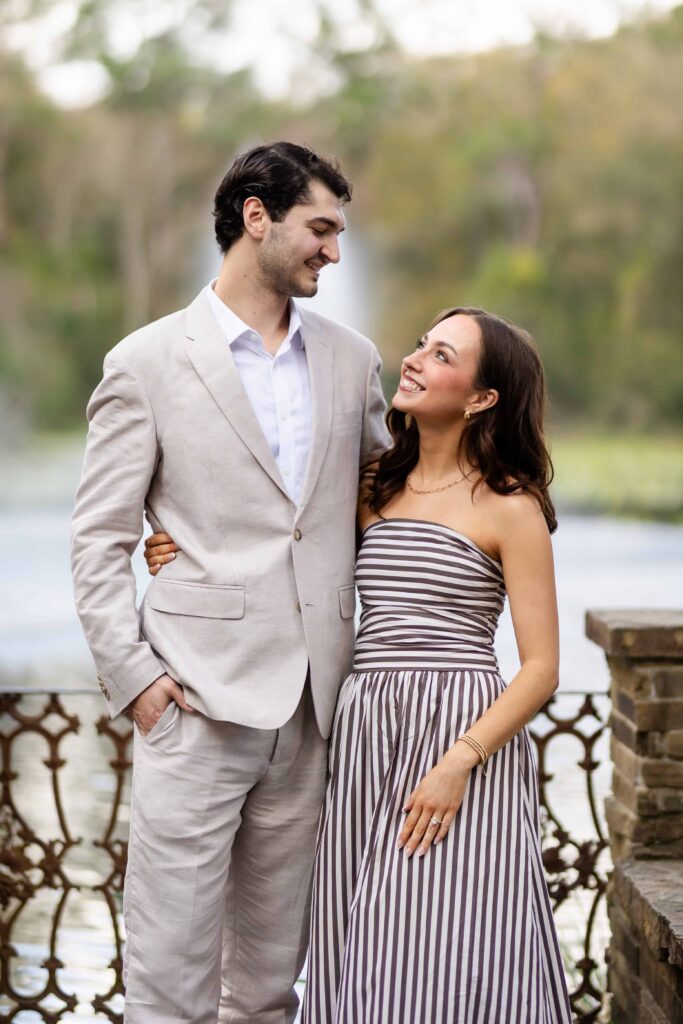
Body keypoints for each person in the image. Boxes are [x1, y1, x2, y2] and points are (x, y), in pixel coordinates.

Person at [146, 307, 574, 1022]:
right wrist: (177, 547)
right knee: (365, 942)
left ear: (479, 398)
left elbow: (540, 668)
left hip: (459, 738)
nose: (413, 360)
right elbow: (271, 547)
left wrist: (457, 761)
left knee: (450, 946)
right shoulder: (369, 486)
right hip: (366, 734)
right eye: (420, 345)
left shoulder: (510, 507)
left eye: (441, 355)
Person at [70, 141, 389, 1024]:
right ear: (257, 217)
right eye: (320, 228)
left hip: (313, 710)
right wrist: (136, 681)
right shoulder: (144, 362)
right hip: (195, 702)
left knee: (266, 986)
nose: (334, 250)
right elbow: (97, 538)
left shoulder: (352, 359)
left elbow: (382, 504)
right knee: (169, 982)